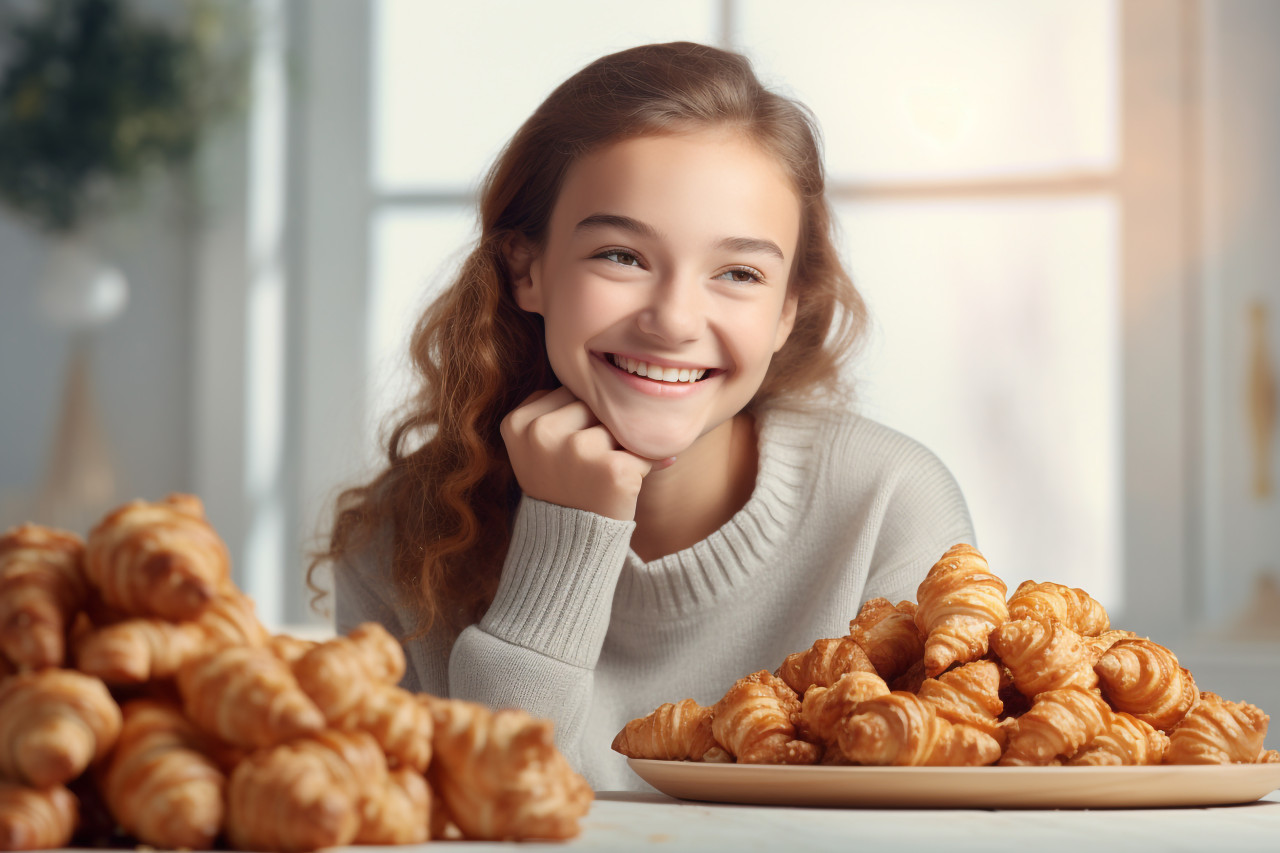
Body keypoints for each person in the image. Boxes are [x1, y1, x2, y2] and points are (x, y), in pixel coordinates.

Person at [308, 41, 974, 792]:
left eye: (738, 273)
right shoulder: (400, 539)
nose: (674, 320)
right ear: (528, 268)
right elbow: (485, 814)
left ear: (788, 310)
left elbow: (926, 817)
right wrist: (566, 538)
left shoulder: (886, 502)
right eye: (622, 256)